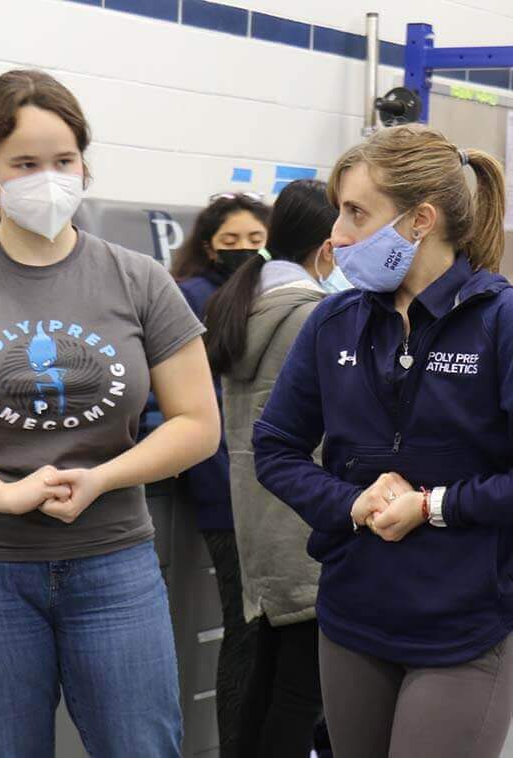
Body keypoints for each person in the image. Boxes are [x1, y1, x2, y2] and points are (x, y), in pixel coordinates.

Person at [0, 69, 221, 758]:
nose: (47, 179)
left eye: (63, 161)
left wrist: (103, 478)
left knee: (141, 745)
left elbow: (198, 424)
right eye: (25, 163)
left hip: (113, 562)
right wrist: (3, 495)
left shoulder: (138, 279)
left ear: (85, 161)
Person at [253, 124, 513, 757]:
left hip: (465, 625)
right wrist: (350, 502)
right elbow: (275, 448)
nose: (337, 235)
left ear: (420, 220)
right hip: (352, 616)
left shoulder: (499, 322)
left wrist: (433, 506)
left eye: (356, 212)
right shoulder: (332, 321)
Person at [204, 179, 341, 758]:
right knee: (300, 690)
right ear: (328, 245)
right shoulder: (312, 313)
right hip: (305, 523)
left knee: (268, 675)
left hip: (261, 519)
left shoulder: (246, 300)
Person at [169, 191, 270, 757]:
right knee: (247, 630)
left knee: (269, 635)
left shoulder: (272, 293)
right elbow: (191, 402)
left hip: (269, 485)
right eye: (230, 242)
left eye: (255, 241)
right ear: (208, 245)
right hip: (221, 486)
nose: (243, 251)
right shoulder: (189, 297)